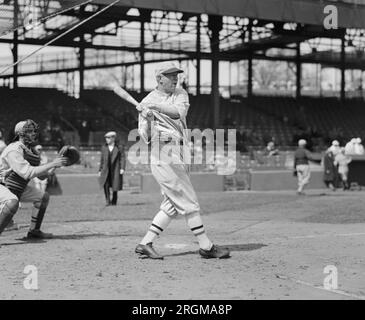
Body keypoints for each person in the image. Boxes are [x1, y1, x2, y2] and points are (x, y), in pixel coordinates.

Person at [132, 62, 230, 260]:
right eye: (170, 75)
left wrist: (155, 107)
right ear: (159, 79)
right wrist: (149, 119)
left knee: (172, 203)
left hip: (181, 149)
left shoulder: (180, 93)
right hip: (163, 152)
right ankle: (206, 245)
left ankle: (145, 243)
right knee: (188, 200)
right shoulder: (147, 101)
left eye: (176, 74)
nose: (175, 77)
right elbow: (147, 138)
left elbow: (179, 113)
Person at [0, 120, 67, 243]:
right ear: (20, 134)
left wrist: (55, 165)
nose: (33, 134)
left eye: (34, 131)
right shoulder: (14, 149)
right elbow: (28, 173)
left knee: (43, 197)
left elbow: (42, 176)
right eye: (29, 131)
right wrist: (52, 163)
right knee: (12, 202)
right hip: (3, 186)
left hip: (16, 187)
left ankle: (34, 231)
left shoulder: (29, 151)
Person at [98, 131, 126, 206]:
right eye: (106, 138)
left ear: (113, 138)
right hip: (106, 170)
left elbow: (122, 158)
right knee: (105, 185)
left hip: (116, 169)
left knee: (115, 185)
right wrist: (100, 170)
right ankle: (107, 200)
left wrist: (122, 168)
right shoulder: (104, 147)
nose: (107, 139)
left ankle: (114, 201)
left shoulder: (119, 147)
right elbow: (102, 160)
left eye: (108, 138)